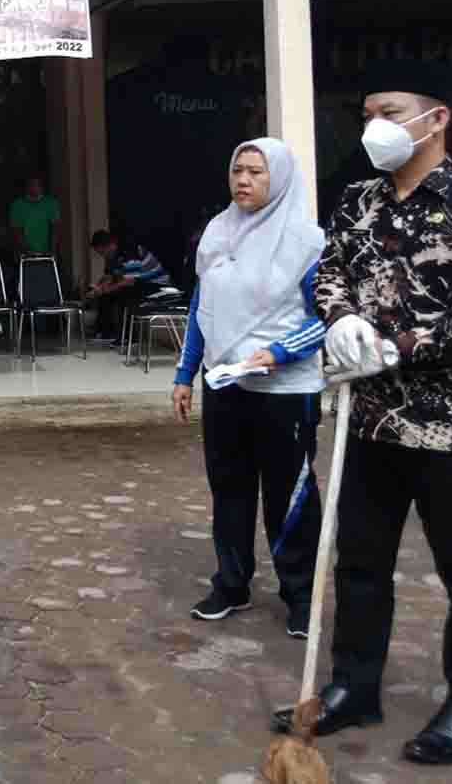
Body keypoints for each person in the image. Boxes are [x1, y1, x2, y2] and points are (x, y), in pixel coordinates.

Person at [275, 62, 452, 767]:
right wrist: (340, 317)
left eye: (392, 109)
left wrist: (397, 344)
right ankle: (354, 684)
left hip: (449, 420)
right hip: (367, 419)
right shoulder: (357, 202)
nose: (376, 124)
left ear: (437, 119)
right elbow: (330, 272)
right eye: (369, 111)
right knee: (360, 561)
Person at [171, 139, 325, 640]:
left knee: (289, 495)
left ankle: (301, 596)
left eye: (256, 172)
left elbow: (327, 317)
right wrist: (185, 372)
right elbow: (201, 308)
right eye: (237, 169)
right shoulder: (218, 231)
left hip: (284, 391)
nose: (243, 180)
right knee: (230, 488)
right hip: (226, 388)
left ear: (277, 179)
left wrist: (279, 354)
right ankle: (232, 583)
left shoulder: (305, 240)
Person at [86, 231, 171, 345]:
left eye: (102, 252)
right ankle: (106, 332)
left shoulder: (130, 251)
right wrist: (97, 288)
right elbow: (109, 277)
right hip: (140, 284)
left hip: (159, 286)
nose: (102, 256)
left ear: (110, 245)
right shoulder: (112, 256)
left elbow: (129, 281)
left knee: (124, 293)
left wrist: (103, 290)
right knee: (107, 293)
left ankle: (129, 337)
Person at [8, 175, 60, 258]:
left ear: (42, 186)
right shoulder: (17, 205)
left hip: (47, 252)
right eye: (31, 184)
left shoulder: (51, 203)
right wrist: (26, 249)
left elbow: (55, 227)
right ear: (27, 186)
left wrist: (53, 250)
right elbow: (16, 230)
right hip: (24, 253)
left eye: (37, 184)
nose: (34, 187)